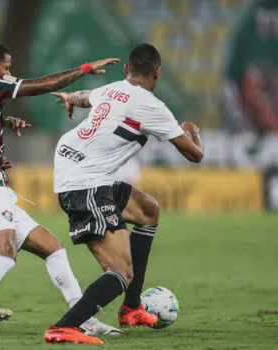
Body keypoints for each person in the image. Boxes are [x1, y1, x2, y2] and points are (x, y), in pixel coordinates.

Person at [0, 41, 122, 339]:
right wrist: (85, 69)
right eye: (6, 68)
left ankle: (85, 320)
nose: (9, 74)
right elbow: (40, 86)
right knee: (4, 255)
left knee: (53, 249)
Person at [43, 43, 204, 344]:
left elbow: (82, 96)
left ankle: (131, 308)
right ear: (157, 72)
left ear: (127, 69)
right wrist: (192, 130)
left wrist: (69, 98)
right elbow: (194, 154)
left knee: (148, 211)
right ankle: (63, 327)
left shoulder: (111, 89)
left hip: (80, 167)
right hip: (84, 181)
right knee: (120, 271)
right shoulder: (153, 107)